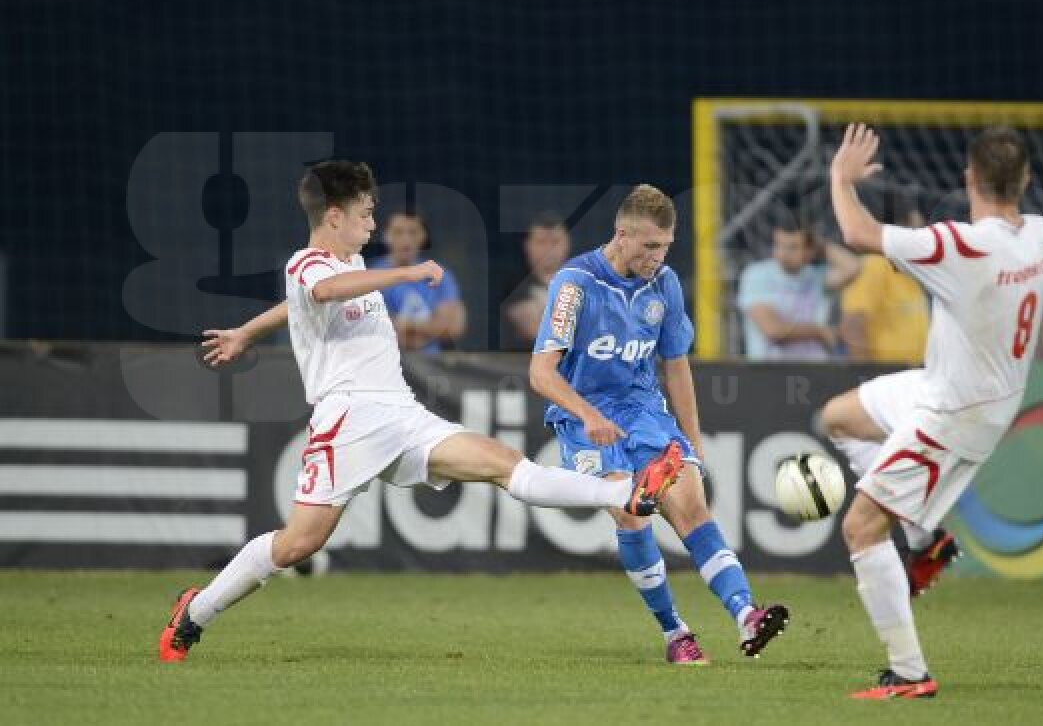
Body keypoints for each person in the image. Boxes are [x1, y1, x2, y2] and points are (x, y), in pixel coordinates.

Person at [159, 161, 684, 662]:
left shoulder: (352, 265)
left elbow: (300, 304)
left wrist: (248, 331)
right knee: (299, 544)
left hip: (400, 413)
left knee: (503, 463)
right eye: (365, 213)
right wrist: (406, 273)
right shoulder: (310, 263)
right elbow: (320, 290)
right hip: (348, 422)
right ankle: (196, 610)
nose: (372, 223)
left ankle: (627, 493)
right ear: (334, 215)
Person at [823, 125, 1043, 699]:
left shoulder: (959, 244)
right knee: (838, 416)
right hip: (945, 386)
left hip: (956, 412)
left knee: (860, 527)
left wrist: (840, 175)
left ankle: (909, 674)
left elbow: (856, 232)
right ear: (1025, 180)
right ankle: (925, 534)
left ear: (969, 179)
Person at [528, 184, 788, 666]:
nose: (658, 256)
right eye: (650, 246)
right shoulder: (575, 283)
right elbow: (540, 373)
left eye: (666, 246)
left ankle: (747, 614)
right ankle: (676, 633)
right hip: (583, 419)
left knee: (691, 508)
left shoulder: (663, 283)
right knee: (631, 514)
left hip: (645, 413)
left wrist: (692, 438)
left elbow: (676, 364)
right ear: (621, 234)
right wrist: (589, 416)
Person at [737, 217, 859, 360]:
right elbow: (773, 330)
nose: (783, 254)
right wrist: (821, 332)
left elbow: (853, 267)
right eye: (778, 245)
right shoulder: (757, 274)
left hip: (814, 371)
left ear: (809, 251)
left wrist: (819, 245)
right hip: (769, 373)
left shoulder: (816, 277)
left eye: (792, 247)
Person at [839, 200, 930, 365]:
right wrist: (865, 377)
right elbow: (852, 326)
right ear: (904, 226)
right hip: (886, 379)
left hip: (914, 376)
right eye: (918, 227)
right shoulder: (875, 265)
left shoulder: (911, 268)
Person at [369, 209, 466, 353]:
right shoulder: (371, 276)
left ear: (423, 236)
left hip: (431, 368)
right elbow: (371, 329)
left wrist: (404, 326)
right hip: (384, 364)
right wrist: (429, 327)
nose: (406, 239)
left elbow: (453, 327)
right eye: (398, 232)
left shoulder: (440, 274)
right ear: (386, 236)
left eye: (413, 232)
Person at [501, 211, 571, 351]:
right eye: (541, 242)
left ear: (566, 244)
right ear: (528, 246)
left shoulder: (585, 283)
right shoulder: (514, 287)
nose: (549, 249)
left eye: (555, 242)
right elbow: (537, 331)